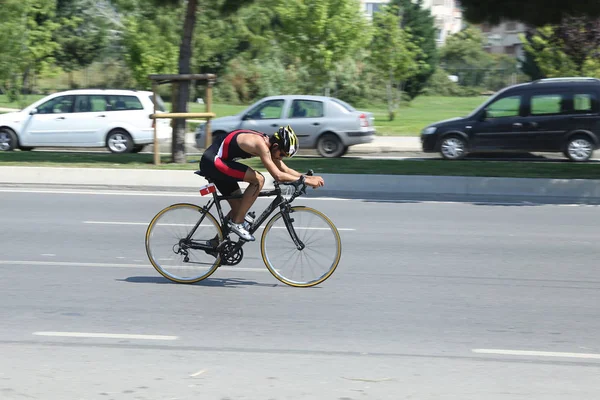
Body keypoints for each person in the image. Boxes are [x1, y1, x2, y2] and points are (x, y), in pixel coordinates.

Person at [199, 125, 325, 241]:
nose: (281, 158)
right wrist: (306, 181)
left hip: (220, 162)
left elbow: (285, 169)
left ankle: (216, 243)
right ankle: (237, 224)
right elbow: (278, 176)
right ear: (275, 146)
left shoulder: (269, 145)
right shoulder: (261, 145)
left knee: (239, 208)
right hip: (212, 162)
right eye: (281, 154)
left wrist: (307, 178)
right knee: (258, 180)